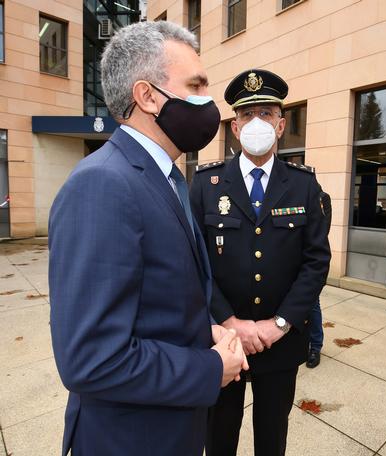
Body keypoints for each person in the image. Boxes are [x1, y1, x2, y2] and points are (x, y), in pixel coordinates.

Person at [49, 21, 247, 456]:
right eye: (195, 85)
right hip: (129, 440)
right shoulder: (103, 184)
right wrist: (208, 368)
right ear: (148, 96)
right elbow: (91, 358)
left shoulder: (167, 178)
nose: (208, 101)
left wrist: (203, 331)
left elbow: (153, 303)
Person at [190, 68, 331, 456]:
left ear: (281, 124)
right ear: (234, 127)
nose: (257, 123)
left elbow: (316, 261)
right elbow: (194, 261)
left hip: (280, 342)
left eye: (266, 113)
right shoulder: (206, 183)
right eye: (247, 114)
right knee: (219, 437)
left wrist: (280, 323)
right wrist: (229, 322)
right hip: (222, 341)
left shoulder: (303, 184)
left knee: (272, 439)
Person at [306, 190, 331, 369]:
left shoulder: (321, 197)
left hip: (308, 262)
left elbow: (322, 231)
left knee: (313, 305)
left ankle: (315, 346)